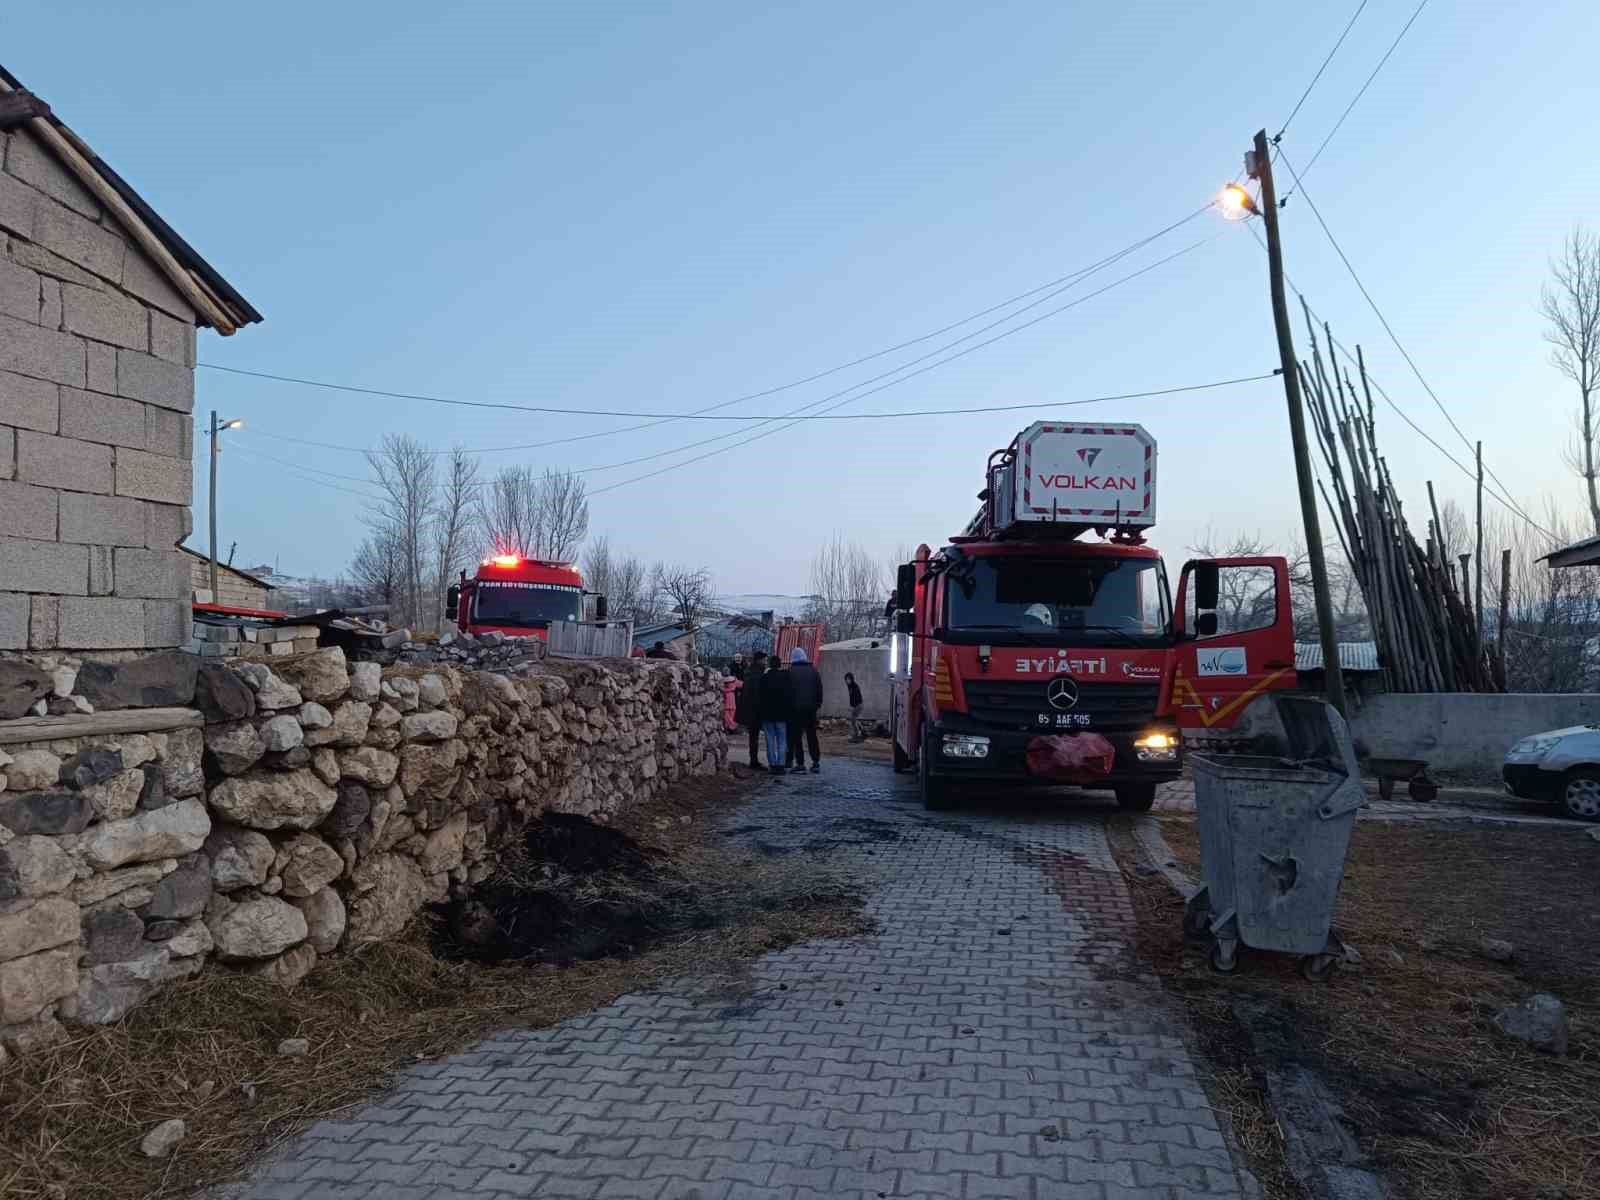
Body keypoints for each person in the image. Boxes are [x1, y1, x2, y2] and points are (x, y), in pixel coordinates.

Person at [786, 646, 823, 773]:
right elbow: (819, 690)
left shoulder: (790, 672)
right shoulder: (814, 671)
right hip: (811, 710)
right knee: (812, 735)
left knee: (796, 737)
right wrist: (817, 705)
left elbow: (787, 692)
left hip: (795, 710)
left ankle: (800, 763)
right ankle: (816, 762)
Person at [756, 654, 792, 776]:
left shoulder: (764, 678)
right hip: (782, 714)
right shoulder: (785, 678)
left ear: (770, 665)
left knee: (770, 740)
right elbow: (789, 697)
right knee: (782, 740)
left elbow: (759, 698)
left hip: (767, 715)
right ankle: (781, 764)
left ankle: (772, 764)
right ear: (780, 664)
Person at [733, 650, 766, 769]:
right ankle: (754, 761)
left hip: (748, 709)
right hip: (755, 710)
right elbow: (758, 694)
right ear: (760, 660)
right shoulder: (758, 674)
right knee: (754, 736)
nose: (765, 662)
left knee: (753, 736)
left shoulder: (750, 672)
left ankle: (753, 759)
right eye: (764, 659)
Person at [845, 672, 866, 742]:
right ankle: (862, 731)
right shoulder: (850, 686)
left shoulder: (854, 686)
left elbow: (857, 697)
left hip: (858, 705)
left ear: (851, 679)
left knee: (853, 720)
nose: (847, 681)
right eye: (846, 679)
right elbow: (851, 697)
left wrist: (853, 706)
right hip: (856, 705)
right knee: (854, 719)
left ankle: (856, 735)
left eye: (848, 679)